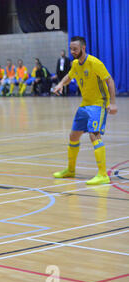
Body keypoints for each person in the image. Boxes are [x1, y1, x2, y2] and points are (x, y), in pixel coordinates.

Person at [53, 36, 117, 185]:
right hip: (85, 104)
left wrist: (112, 103)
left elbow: (110, 81)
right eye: (71, 49)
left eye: (75, 49)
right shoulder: (75, 64)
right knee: (73, 136)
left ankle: (103, 175)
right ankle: (70, 170)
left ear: (83, 48)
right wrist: (60, 84)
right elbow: (69, 76)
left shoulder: (94, 63)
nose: (72, 51)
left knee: (94, 135)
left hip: (98, 104)